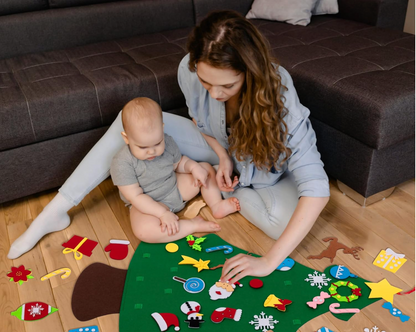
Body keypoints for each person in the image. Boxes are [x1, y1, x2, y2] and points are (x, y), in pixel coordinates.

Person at [8, 10, 329, 287]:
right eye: (207, 83)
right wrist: (220, 157)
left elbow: (317, 187)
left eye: (227, 86)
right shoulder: (188, 69)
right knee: (128, 120)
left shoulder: (279, 91)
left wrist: (268, 262)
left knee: (284, 226)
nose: (215, 94)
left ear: (251, 72)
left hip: (263, 171)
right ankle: (53, 212)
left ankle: (227, 192)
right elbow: (202, 123)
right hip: (218, 152)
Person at [111, 97, 240, 242]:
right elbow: (135, 197)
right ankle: (192, 225)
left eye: (157, 143)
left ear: (162, 128)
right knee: (143, 231)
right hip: (147, 204)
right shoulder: (121, 162)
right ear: (126, 138)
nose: (152, 152)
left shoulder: (167, 141)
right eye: (142, 147)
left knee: (205, 168)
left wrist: (193, 167)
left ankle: (216, 205)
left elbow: (178, 163)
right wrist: (161, 213)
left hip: (174, 188)